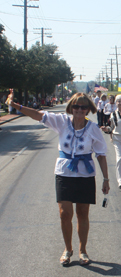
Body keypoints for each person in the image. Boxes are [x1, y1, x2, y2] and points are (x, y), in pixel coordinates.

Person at [6, 92, 109, 266]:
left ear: (88, 109)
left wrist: (106, 179)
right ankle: (68, 249)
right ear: (71, 108)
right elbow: (38, 115)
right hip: (64, 173)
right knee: (64, 214)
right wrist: (17, 106)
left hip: (85, 175)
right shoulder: (62, 122)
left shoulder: (93, 129)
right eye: (76, 106)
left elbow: (101, 155)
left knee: (82, 213)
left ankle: (82, 250)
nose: (79, 109)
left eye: (83, 107)